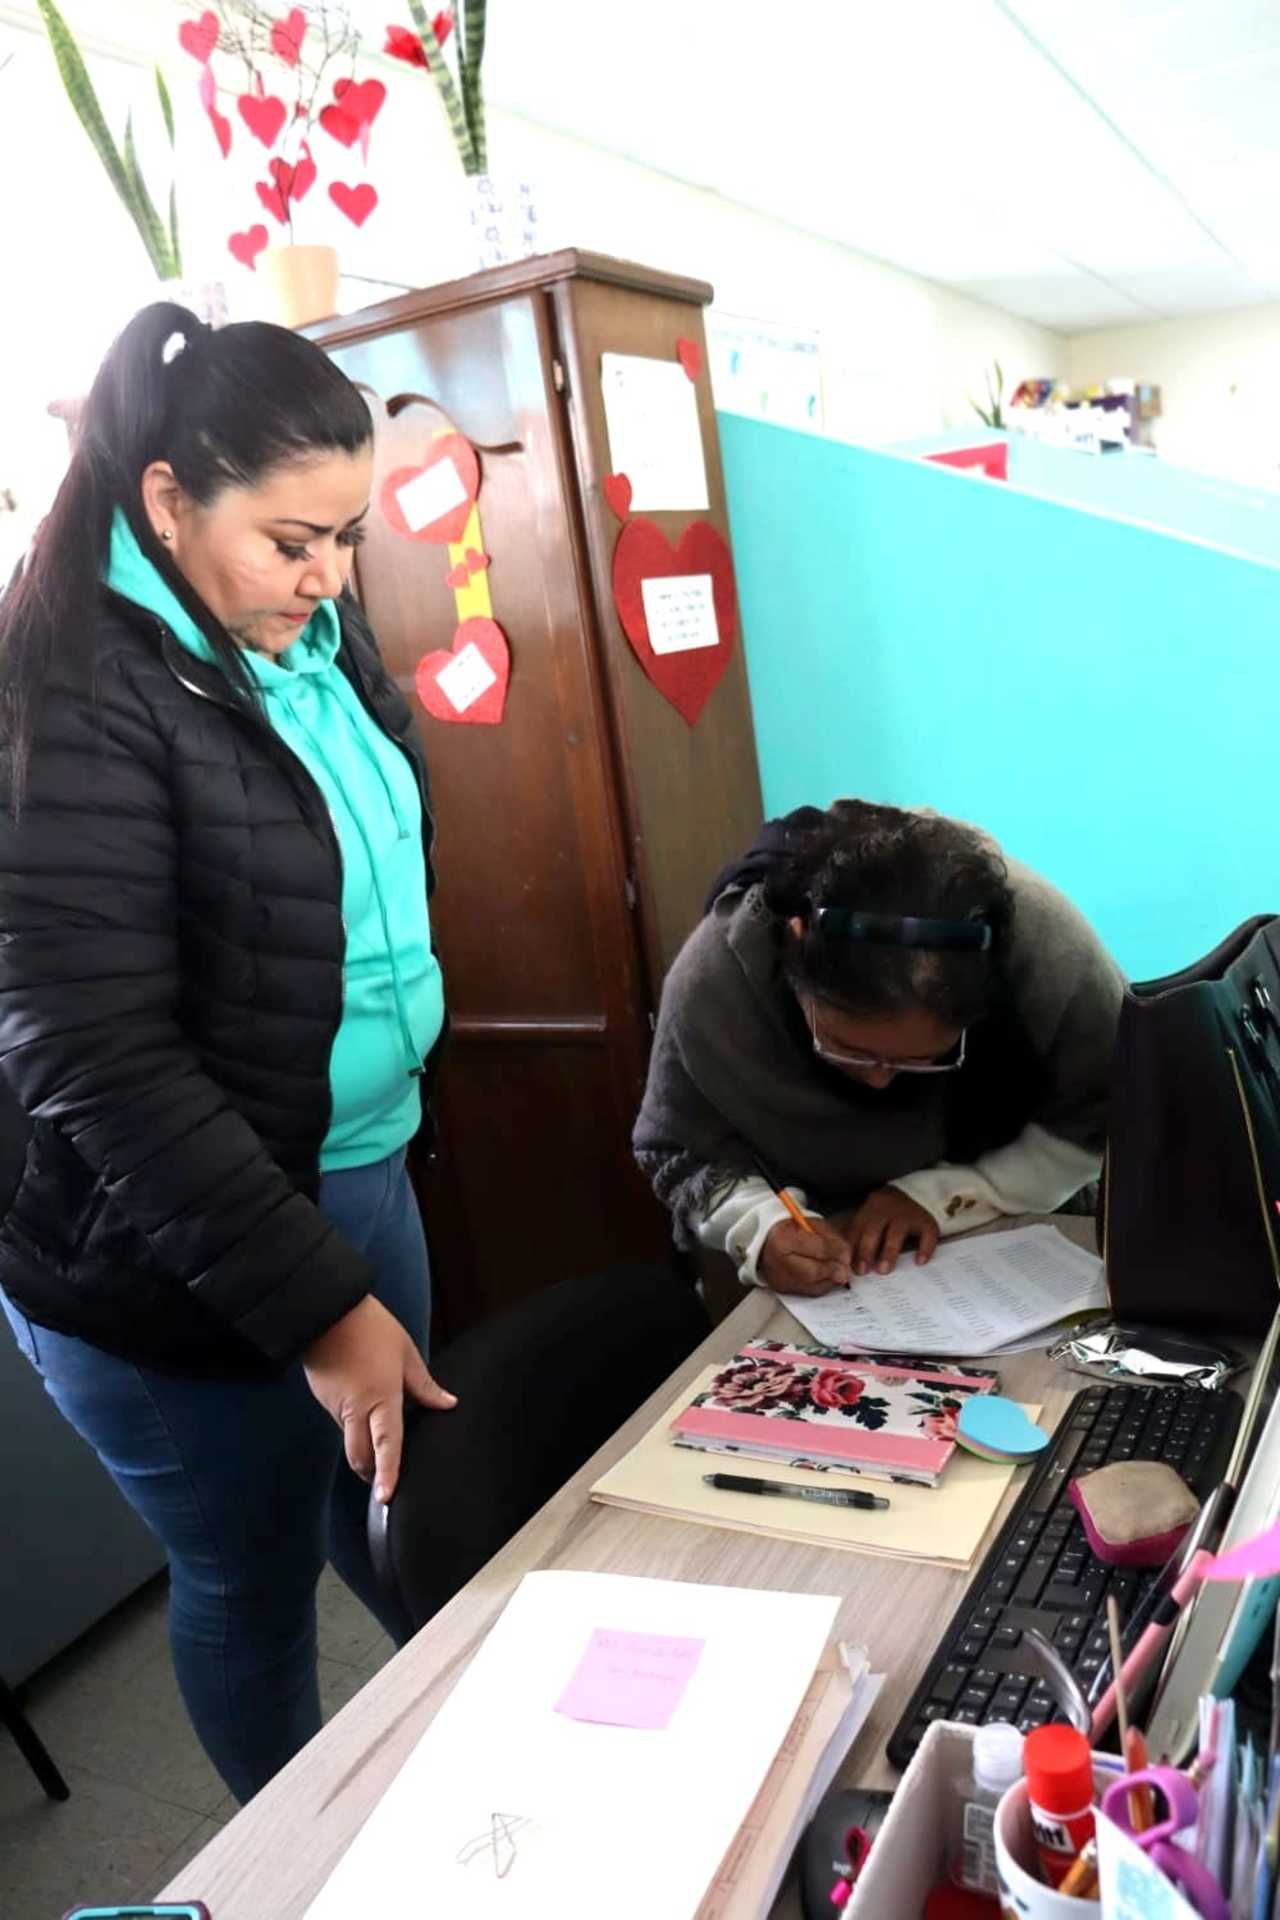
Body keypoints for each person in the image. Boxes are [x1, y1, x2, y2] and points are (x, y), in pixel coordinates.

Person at [0, 303, 455, 1804]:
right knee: (251, 1575)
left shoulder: (303, 630)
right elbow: (95, 1053)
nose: (329, 577)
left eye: (347, 538)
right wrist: (319, 1309)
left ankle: (476, 1757)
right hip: (161, 1248)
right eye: (292, 540)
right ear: (167, 503)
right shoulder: (75, 691)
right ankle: (298, 1864)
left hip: (357, 1166)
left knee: (394, 1507)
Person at [635, 801, 1123, 1297]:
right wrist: (758, 1226)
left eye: (922, 1059)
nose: (879, 1079)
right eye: (849, 1049)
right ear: (795, 943)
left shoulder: (1051, 957)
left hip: (1022, 1230)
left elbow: (1105, 1120)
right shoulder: (716, 980)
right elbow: (677, 1148)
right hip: (817, 1261)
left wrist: (948, 1195)